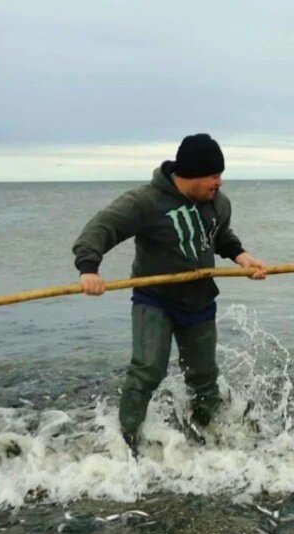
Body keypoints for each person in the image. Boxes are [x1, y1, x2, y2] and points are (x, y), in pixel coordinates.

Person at [72, 134, 267, 455]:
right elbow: (101, 228)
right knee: (148, 369)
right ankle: (127, 441)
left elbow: (219, 235)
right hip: (155, 299)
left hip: (200, 299)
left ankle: (210, 435)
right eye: (213, 175)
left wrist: (242, 257)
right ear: (190, 173)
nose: (219, 182)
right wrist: (89, 268)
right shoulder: (145, 202)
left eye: (221, 175)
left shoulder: (219, 203)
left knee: (204, 376)